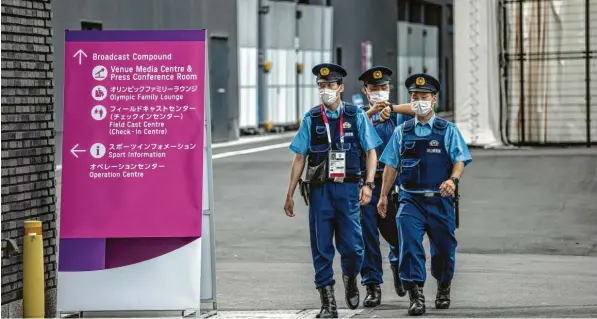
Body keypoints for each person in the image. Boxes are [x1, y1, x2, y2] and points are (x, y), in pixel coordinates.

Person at [284, 63, 383, 318]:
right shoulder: (312, 118)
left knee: (353, 247)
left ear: (340, 87)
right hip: (319, 191)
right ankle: (327, 302)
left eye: (330, 85)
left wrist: (369, 184)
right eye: (321, 86)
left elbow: (371, 152)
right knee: (321, 247)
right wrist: (290, 192)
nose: (325, 90)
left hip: (349, 188)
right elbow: (299, 158)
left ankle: (350, 277)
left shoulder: (355, 115)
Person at [377, 73, 472, 316]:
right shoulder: (402, 131)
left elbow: (460, 159)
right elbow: (390, 165)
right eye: (414, 97)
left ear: (434, 100)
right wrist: (384, 195)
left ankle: (443, 285)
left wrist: (453, 179)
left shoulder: (447, 130)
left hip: (440, 201)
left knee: (443, 249)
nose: (419, 101)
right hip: (410, 199)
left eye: (423, 97)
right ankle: (416, 295)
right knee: (409, 245)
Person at [356, 66, 414, 307]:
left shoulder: (399, 114)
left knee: (398, 231)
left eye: (384, 88)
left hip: (394, 183)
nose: (379, 93)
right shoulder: (359, 115)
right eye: (374, 89)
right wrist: (370, 114)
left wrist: (392, 109)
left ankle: (399, 264)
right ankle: (372, 284)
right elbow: (349, 132)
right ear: (366, 92)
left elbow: (422, 110)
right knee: (367, 235)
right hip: (366, 183)